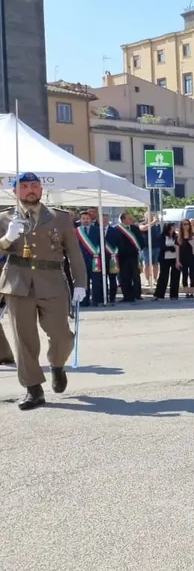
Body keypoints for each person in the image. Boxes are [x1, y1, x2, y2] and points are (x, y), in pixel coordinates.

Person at [0, 173, 87, 410]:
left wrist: (80, 282)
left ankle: (57, 365)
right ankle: (33, 389)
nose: (30, 190)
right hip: (17, 282)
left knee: (61, 335)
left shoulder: (60, 218)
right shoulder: (5, 217)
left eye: (35, 186)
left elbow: (74, 253)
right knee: (24, 340)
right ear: (15, 191)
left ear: (41, 190)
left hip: (52, 281)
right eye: (25, 186)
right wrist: (7, 239)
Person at [107, 212, 141, 304]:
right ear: (123, 220)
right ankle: (127, 296)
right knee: (124, 277)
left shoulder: (135, 228)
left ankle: (136, 295)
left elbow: (140, 241)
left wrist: (139, 249)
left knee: (136, 276)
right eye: (129, 218)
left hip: (133, 256)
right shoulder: (116, 229)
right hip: (122, 257)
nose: (131, 220)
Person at [153, 223, 181, 300]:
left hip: (175, 258)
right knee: (163, 276)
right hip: (164, 259)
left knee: (175, 276)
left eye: (174, 226)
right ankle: (159, 294)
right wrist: (170, 248)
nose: (173, 228)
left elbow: (179, 245)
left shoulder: (176, 236)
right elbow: (161, 245)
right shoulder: (162, 236)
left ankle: (174, 295)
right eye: (171, 226)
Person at [177, 220, 194, 298]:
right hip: (183, 258)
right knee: (184, 275)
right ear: (181, 226)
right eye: (184, 224)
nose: (186, 226)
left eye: (188, 224)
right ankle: (186, 292)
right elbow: (177, 249)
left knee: (192, 275)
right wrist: (177, 260)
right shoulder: (179, 236)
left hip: (193, 257)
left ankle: (192, 292)